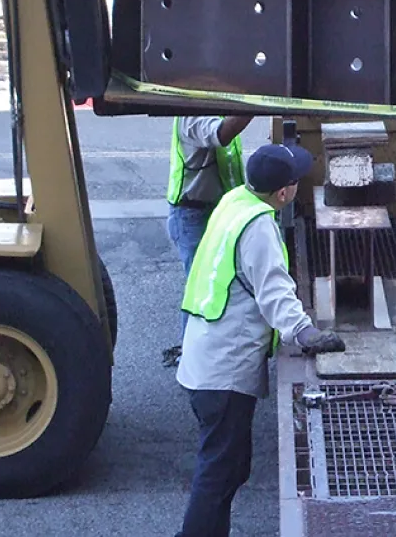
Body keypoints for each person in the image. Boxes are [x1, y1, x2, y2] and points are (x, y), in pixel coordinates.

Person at [175, 143, 345, 537]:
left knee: (231, 468)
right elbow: (274, 291)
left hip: (204, 359)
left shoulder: (236, 200)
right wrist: (305, 332)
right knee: (218, 474)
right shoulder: (259, 228)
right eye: (296, 182)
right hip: (224, 372)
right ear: (284, 192)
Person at [167, 116, 253, 340]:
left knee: (220, 285)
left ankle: (212, 349)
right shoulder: (189, 116)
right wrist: (254, 105)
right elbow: (221, 134)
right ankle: (191, 356)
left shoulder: (217, 107)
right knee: (201, 290)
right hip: (193, 216)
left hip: (220, 210)